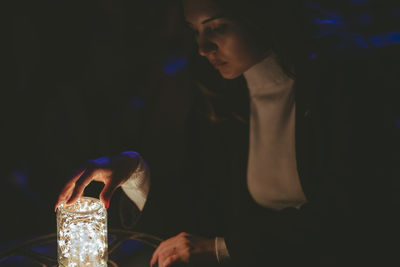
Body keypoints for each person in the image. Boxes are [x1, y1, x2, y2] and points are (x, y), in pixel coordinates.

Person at [55, 0, 397, 266]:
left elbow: (352, 213)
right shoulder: (220, 95)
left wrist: (223, 249)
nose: (203, 47)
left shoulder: (344, 81)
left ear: (262, 14)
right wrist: (133, 169)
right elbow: (201, 209)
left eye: (216, 27)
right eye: (195, 31)